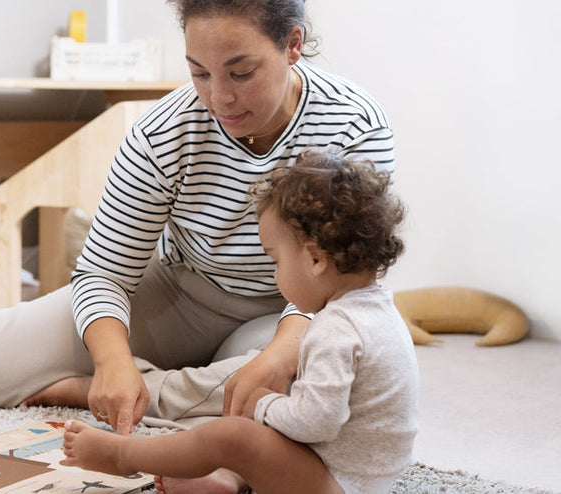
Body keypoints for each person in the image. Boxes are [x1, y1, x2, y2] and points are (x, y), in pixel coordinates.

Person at [0, 0, 396, 436]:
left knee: (306, 388)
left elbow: (342, 274)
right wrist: (112, 362)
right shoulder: (161, 132)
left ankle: (104, 390)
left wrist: (278, 356)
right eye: (199, 72)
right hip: (182, 293)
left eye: (242, 72)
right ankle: (185, 388)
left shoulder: (355, 126)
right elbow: (105, 273)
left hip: (295, 309)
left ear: (292, 44)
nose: (220, 97)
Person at [61, 152, 418, 494]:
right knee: (269, 413)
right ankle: (223, 478)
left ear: (314, 259)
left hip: (338, 484)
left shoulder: (336, 327)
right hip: (363, 476)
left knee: (230, 435)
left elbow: (316, 423)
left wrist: (262, 403)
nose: (274, 275)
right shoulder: (377, 310)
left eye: (275, 261)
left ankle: (121, 456)